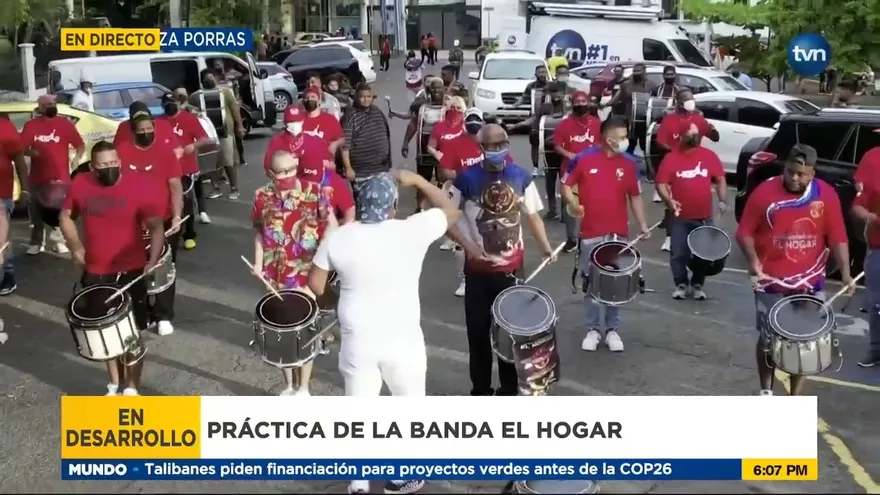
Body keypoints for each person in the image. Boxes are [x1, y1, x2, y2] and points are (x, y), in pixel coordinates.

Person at [308, 170, 462, 495]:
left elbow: (316, 285)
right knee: (409, 405)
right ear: (393, 205)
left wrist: (339, 301)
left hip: (357, 337)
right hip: (402, 337)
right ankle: (403, 476)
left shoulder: (339, 237)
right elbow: (452, 210)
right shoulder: (412, 230)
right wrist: (419, 182)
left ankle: (359, 482)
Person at [736, 145, 852, 395]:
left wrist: (845, 272)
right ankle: (765, 390)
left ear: (812, 173)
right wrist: (753, 260)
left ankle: (794, 394)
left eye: (801, 174)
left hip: (810, 280)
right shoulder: (764, 192)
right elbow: (744, 232)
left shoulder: (826, 194)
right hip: (770, 279)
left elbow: (838, 236)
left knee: (803, 340)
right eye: (790, 172)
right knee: (768, 338)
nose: (795, 178)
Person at [450, 123, 555, 396]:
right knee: (478, 334)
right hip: (478, 272)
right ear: (481, 148)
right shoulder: (465, 180)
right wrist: (470, 248)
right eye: (491, 146)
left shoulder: (521, 176)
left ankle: (509, 390)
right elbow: (447, 220)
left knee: (511, 334)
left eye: (502, 144)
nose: (497, 150)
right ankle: (481, 390)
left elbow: (532, 215)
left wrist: (545, 247)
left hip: (511, 272)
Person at [59, 140, 165, 397]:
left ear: (119, 162)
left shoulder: (137, 185)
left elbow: (156, 225)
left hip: (131, 269)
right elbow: (65, 216)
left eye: (113, 163)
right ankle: (114, 384)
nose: (110, 168)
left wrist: (153, 257)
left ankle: (132, 387)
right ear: (93, 167)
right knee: (104, 329)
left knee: (132, 332)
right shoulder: (81, 184)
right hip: (97, 271)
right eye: (103, 165)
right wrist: (74, 244)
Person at [562, 115, 651, 353]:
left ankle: (612, 329)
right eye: (621, 137)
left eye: (626, 136)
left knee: (615, 282)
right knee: (590, 281)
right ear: (607, 137)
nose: (625, 141)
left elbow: (634, 195)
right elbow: (566, 186)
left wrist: (642, 224)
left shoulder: (630, 163)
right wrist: (573, 204)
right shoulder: (583, 159)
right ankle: (592, 329)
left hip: (617, 234)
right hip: (590, 232)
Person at [253, 151, 339, 396]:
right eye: (281, 172)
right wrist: (259, 264)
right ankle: (288, 385)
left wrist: (321, 264)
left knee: (304, 330)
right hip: (275, 274)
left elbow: (332, 226)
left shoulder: (315, 192)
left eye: (292, 169)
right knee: (282, 331)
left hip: (306, 273)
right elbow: (259, 231)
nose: (288, 175)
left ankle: (303, 387)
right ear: (271, 173)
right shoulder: (261, 196)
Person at [116, 107, 185, 337]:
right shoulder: (121, 152)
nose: (146, 133)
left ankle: (163, 315)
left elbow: (175, 186)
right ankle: (141, 313)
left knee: (164, 266)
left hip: (163, 219)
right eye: (141, 130)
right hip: (132, 223)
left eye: (149, 129)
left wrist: (176, 216)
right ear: (133, 131)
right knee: (135, 268)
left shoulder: (165, 152)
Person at [655, 122, 728, 300]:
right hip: (680, 216)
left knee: (703, 254)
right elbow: (661, 184)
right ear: (680, 137)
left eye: (696, 133)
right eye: (689, 133)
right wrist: (669, 200)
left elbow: (720, 179)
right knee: (678, 252)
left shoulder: (709, 156)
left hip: (704, 216)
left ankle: (697, 284)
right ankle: (681, 283)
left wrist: (723, 200)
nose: (694, 136)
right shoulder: (671, 158)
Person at [654, 88, 720, 252]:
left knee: (696, 198)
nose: (691, 101)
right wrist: (673, 152)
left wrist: (711, 129)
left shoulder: (698, 118)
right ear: (679, 102)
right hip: (675, 164)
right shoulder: (669, 120)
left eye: (692, 98)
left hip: (696, 162)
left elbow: (715, 137)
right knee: (672, 201)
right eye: (687, 99)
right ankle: (670, 237)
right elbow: (660, 141)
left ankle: (698, 236)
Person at [21, 94, 85, 256]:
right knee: (36, 211)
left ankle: (59, 241)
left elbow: (80, 145)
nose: (51, 105)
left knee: (59, 211)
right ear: (40, 107)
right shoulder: (31, 125)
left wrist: (76, 159)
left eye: (53, 103)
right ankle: (36, 242)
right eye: (48, 103)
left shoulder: (64, 124)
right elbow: (21, 148)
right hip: (37, 177)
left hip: (60, 177)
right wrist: (30, 152)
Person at [157, 92, 211, 251]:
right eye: (166, 104)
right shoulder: (159, 122)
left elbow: (204, 138)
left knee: (186, 201)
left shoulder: (189, 119)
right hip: (166, 170)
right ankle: (171, 232)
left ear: (179, 103)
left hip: (186, 168)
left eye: (172, 103)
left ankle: (189, 234)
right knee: (168, 202)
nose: (169, 106)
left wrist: (193, 146)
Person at [552, 90, 601, 251]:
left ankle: (591, 234)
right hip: (570, 170)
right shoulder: (564, 124)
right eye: (577, 102)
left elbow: (602, 144)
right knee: (570, 204)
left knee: (593, 203)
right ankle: (571, 238)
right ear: (572, 104)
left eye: (583, 102)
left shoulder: (596, 123)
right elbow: (557, 145)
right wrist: (569, 155)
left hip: (592, 170)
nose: (580, 105)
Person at [341, 84, 392, 201]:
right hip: (360, 171)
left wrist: (388, 160)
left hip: (380, 168)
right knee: (363, 200)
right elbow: (345, 145)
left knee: (383, 198)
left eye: (369, 96)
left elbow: (386, 135)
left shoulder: (377, 111)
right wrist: (348, 168)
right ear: (356, 98)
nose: (366, 99)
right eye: (362, 97)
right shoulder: (350, 115)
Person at [201, 68, 245, 200]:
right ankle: (216, 188)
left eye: (211, 77)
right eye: (206, 78)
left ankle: (234, 188)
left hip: (226, 133)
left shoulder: (225, 91)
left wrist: (240, 126)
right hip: (209, 135)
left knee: (228, 161)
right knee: (212, 163)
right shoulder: (199, 95)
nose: (209, 80)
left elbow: (235, 109)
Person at [402, 79, 445, 212]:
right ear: (428, 91)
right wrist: (405, 142)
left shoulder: (449, 106)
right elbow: (413, 124)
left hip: (444, 152)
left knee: (443, 181)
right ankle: (420, 207)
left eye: (439, 88)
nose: (436, 91)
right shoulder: (422, 107)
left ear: (444, 90)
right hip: (424, 149)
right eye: (433, 89)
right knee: (422, 180)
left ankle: (441, 206)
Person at [851, 169, 880, 368]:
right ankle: (876, 348)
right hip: (878, 249)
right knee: (876, 303)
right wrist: (871, 218)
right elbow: (857, 206)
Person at [0, 115, 29, 294]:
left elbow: (19, 158)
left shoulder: (3, 126)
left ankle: (7, 275)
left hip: (1, 195)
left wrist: (25, 189)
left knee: (2, 238)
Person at [603, 63, 654, 156]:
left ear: (644, 72)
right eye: (635, 71)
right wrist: (604, 105)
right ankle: (626, 162)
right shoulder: (626, 84)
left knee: (646, 146)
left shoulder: (652, 85)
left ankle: (647, 166)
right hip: (630, 119)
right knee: (629, 144)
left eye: (639, 71)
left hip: (645, 120)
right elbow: (616, 99)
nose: (636, 73)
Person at [264, 106, 333, 174]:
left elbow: (329, 163)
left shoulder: (314, 141)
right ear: (285, 122)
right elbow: (268, 167)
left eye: (297, 121)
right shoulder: (276, 142)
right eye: (291, 121)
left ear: (303, 121)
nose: (294, 124)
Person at [301, 87, 345, 154]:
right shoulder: (298, 119)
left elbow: (342, 138)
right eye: (307, 97)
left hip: (325, 161)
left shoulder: (330, 120)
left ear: (319, 100)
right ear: (303, 101)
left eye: (313, 97)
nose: (309, 99)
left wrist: (335, 144)